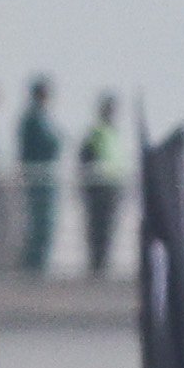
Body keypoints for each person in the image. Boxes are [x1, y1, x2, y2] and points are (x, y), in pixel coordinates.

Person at [71, 93, 122, 274]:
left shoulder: (113, 132)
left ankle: (103, 264)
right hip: (98, 188)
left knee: (108, 229)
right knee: (97, 228)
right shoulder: (96, 133)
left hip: (112, 186)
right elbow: (85, 157)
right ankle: (96, 265)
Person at [8, 77, 54, 273]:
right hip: (35, 178)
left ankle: (40, 263)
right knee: (36, 223)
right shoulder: (31, 119)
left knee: (45, 224)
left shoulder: (43, 118)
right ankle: (33, 264)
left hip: (46, 177)